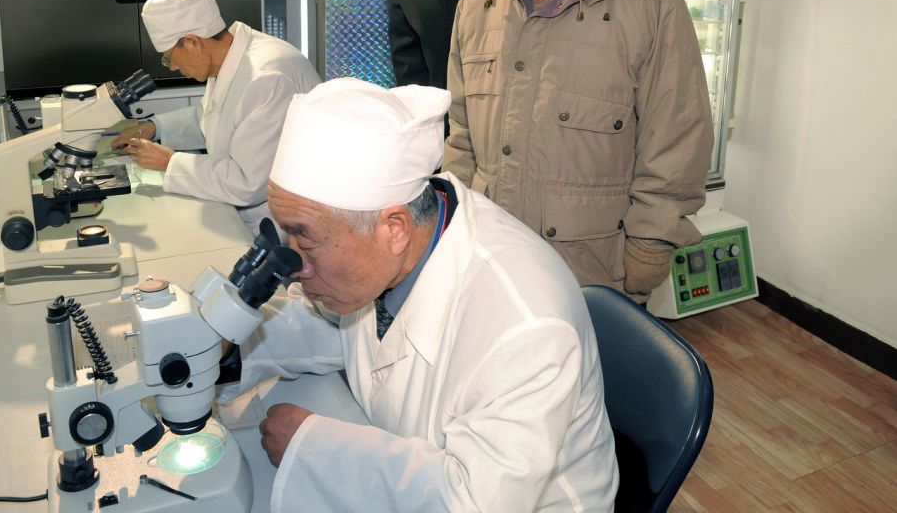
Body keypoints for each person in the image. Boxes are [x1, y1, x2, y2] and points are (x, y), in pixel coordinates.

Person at [218, 77, 618, 512]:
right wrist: (226, 351)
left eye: (305, 239)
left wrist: (313, 448)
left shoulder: (525, 327)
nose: (295, 268)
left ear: (395, 229)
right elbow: (331, 325)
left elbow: (474, 501)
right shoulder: (398, 243)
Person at [443, 0, 714, 303]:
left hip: (591, 274)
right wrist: (451, 224)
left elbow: (677, 138)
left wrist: (648, 250)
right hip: (488, 261)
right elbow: (461, 132)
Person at [110, 0, 319, 232]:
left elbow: (248, 185)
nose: (172, 67)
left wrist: (170, 162)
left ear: (192, 42)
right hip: (245, 211)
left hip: (279, 225)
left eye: (168, 57)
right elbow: (218, 119)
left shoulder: (267, 78)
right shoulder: (233, 57)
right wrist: (154, 127)